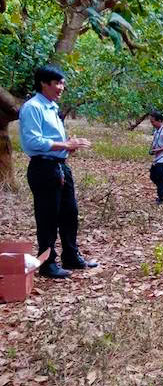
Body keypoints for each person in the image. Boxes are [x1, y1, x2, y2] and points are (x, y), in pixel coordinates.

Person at [18, 65, 97, 278]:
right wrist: (65, 144)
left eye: (63, 83)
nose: (61, 88)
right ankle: (47, 262)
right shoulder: (33, 107)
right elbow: (33, 141)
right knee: (48, 216)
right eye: (57, 83)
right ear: (44, 83)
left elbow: (55, 142)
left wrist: (68, 148)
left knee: (69, 213)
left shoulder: (52, 108)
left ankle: (71, 255)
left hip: (60, 167)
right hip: (43, 168)